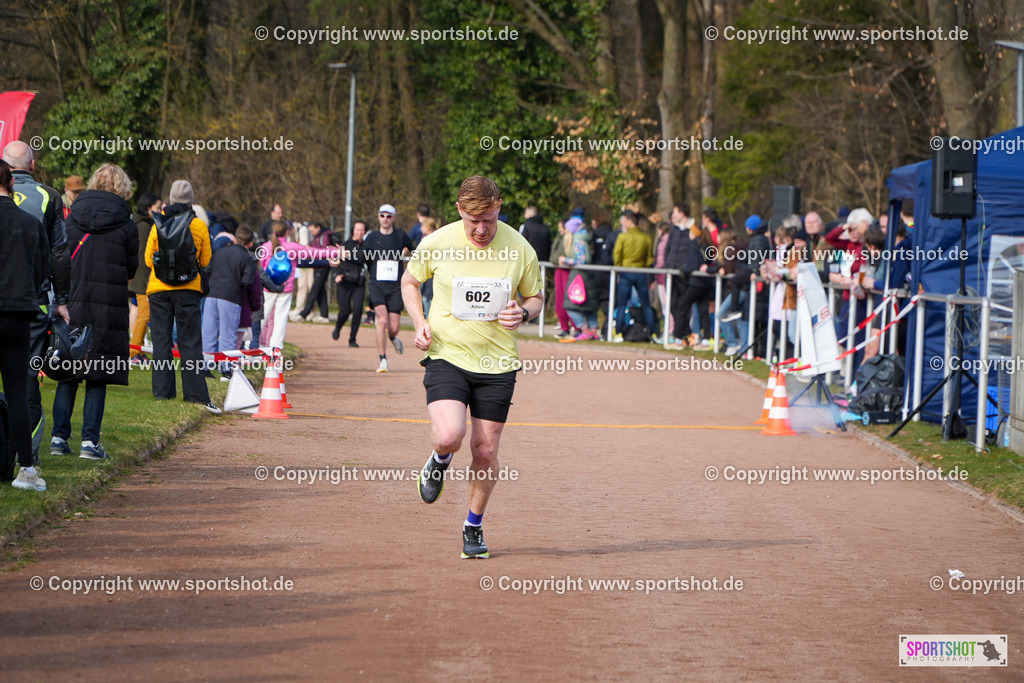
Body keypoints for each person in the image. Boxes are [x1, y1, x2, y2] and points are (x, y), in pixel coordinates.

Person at [401, 175, 543, 559]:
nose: (481, 230)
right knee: (449, 434)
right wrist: (419, 323)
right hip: (448, 353)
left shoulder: (520, 248)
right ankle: (440, 458)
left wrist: (524, 312)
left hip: (498, 363)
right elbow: (410, 282)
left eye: (489, 220)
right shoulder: (438, 242)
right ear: (460, 211)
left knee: (485, 448)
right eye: (473, 221)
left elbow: (535, 295)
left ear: (499, 209)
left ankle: (473, 526)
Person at [50, 163, 139, 460]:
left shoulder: (72, 218)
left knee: (69, 370)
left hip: (74, 299)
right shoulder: (126, 223)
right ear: (122, 187)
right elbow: (131, 267)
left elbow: (60, 256)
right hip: (108, 302)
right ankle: (90, 442)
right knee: (98, 372)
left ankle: (58, 437)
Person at [3, 140, 71, 464]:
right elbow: (59, 252)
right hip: (32, 302)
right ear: (32, 165)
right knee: (26, 380)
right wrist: (62, 299)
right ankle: (25, 459)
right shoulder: (48, 196)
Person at [145, 180, 220, 413]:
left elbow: (149, 260)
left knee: (161, 340)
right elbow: (206, 261)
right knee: (189, 342)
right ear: (191, 200)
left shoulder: (158, 223)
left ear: (170, 198)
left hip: (158, 289)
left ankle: (162, 391)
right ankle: (195, 393)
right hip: (188, 288)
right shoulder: (198, 226)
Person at [0, 160, 50, 491]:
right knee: (17, 392)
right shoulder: (31, 223)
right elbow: (43, 269)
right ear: (11, 184)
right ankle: (26, 468)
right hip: (17, 315)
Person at [259, 221, 335, 349]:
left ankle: (254, 344)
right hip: (286, 288)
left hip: (268, 288)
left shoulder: (265, 247)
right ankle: (275, 349)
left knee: (262, 317)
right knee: (280, 319)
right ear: (288, 232)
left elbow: (260, 267)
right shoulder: (292, 247)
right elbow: (314, 253)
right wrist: (334, 252)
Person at [362, 203, 413, 373]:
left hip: (395, 286)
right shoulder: (372, 237)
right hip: (377, 284)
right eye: (382, 215)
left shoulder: (400, 235)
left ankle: (392, 336)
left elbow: (413, 248)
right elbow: (362, 257)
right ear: (378, 217)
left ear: (394, 218)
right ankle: (383, 359)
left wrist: (406, 252)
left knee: (394, 327)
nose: (385, 219)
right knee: (381, 320)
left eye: (388, 216)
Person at [203, 224, 257, 379]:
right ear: (250, 244)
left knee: (209, 332)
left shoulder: (220, 252)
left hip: (211, 295)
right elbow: (248, 281)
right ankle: (226, 369)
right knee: (228, 334)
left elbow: (207, 271)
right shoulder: (246, 258)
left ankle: (205, 366)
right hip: (231, 297)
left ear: (234, 239)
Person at [129, 193, 162, 364]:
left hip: (142, 277)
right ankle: (134, 352)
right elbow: (143, 256)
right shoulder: (143, 227)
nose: (160, 211)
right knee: (145, 314)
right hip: (143, 278)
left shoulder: (145, 224)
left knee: (144, 314)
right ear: (148, 208)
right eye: (157, 208)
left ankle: (138, 350)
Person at [613, 209, 655, 341]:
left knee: (621, 304)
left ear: (630, 222)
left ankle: (618, 332)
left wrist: (620, 268)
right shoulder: (646, 237)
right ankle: (652, 331)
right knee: (645, 304)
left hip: (626, 273)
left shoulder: (623, 237)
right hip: (641, 273)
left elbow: (617, 255)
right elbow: (649, 259)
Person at [559, 213, 600, 340]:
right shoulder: (586, 237)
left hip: (580, 275)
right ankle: (593, 331)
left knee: (571, 306)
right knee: (588, 307)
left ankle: (585, 330)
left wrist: (566, 260)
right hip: (587, 275)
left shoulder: (578, 240)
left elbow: (581, 260)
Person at [330, 219, 368, 347]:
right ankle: (338, 327)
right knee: (345, 311)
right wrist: (336, 275)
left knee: (357, 311)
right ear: (353, 230)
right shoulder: (345, 245)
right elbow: (334, 260)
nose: (360, 232)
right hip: (345, 281)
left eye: (362, 230)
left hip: (359, 283)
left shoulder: (366, 246)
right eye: (357, 229)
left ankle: (352, 339)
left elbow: (366, 261)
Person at [297, 221, 332, 323]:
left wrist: (313, 254)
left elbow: (323, 251)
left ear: (318, 227)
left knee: (314, 290)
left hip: (322, 266)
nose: (311, 233)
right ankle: (324, 315)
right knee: (321, 291)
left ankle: (304, 313)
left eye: (313, 230)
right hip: (317, 266)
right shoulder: (317, 237)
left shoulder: (324, 236)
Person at [419, 218, 437, 317]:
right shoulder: (425, 240)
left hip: (433, 275)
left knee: (429, 299)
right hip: (426, 274)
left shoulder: (436, 240)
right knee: (425, 298)